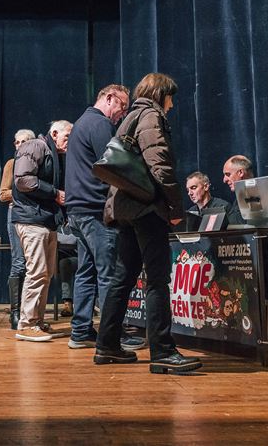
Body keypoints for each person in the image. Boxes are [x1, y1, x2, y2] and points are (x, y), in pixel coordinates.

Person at [95, 73, 202, 374]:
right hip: (146, 208)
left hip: (126, 208)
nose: (172, 104)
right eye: (171, 98)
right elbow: (160, 164)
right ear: (161, 94)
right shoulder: (150, 115)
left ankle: (107, 346)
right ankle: (163, 352)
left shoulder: (130, 116)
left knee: (123, 278)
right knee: (157, 280)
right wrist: (175, 207)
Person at [64, 83, 145, 351]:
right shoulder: (99, 125)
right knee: (109, 274)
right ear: (108, 98)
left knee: (85, 272)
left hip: (77, 211)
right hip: (94, 211)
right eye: (122, 107)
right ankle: (114, 335)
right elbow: (114, 164)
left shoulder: (79, 124)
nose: (122, 115)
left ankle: (80, 331)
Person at [11, 120, 72, 342]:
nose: (69, 142)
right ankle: (26, 324)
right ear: (54, 133)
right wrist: (54, 193)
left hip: (45, 220)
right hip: (31, 220)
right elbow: (23, 180)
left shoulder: (53, 154)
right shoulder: (35, 146)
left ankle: (35, 320)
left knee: (45, 274)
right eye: (67, 137)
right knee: (37, 272)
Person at [0, 128, 36, 329]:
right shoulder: (12, 164)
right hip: (16, 214)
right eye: (17, 142)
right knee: (19, 261)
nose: (19, 145)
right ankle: (15, 312)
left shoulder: (37, 163)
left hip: (35, 215)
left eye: (24, 141)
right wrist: (25, 193)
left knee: (35, 266)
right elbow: (3, 194)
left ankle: (29, 313)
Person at [221, 155, 254, 225]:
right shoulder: (239, 198)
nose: (224, 180)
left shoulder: (257, 197)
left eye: (228, 174)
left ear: (241, 173)